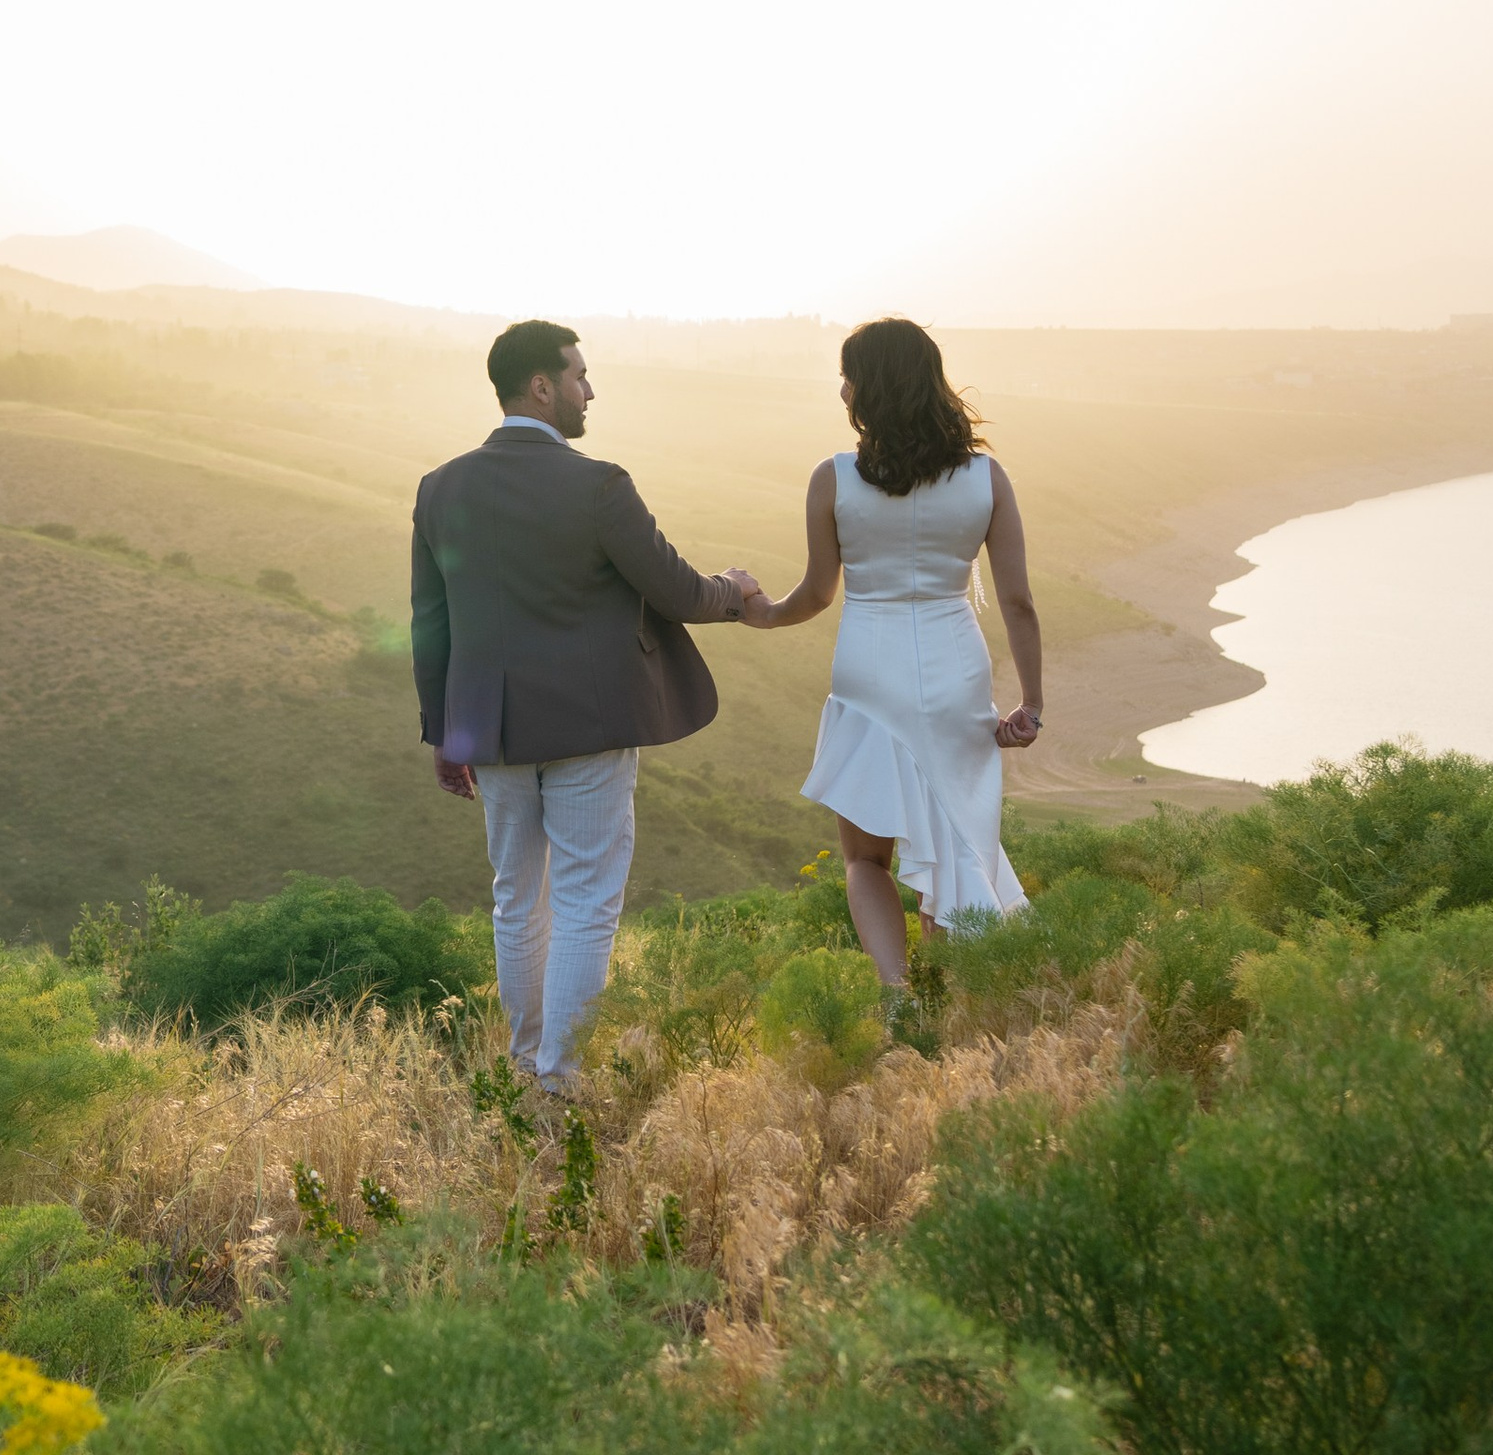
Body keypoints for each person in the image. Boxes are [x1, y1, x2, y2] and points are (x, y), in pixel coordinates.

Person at [411, 320, 759, 1093]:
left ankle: (524, 1061)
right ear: (542, 386)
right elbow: (675, 588)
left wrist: (444, 732)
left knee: (514, 897)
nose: (589, 390)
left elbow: (429, 623)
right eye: (580, 376)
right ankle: (560, 1081)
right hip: (591, 725)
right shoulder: (598, 484)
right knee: (586, 901)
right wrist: (734, 593)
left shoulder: (440, 488)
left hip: (491, 732)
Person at [737, 316, 1039, 993]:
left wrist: (758, 614)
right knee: (960, 838)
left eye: (847, 376)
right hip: (953, 668)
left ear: (869, 388)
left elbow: (816, 595)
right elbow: (1017, 603)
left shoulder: (833, 478)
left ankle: (901, 996)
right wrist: (1033, 705)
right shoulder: (987, 479)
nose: (841, 390)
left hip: (868, 674)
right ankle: (959, 990)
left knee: (866, 860)